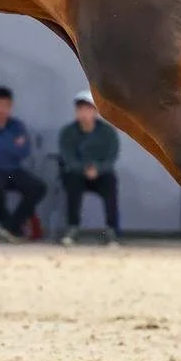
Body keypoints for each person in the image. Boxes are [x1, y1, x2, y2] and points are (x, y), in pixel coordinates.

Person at [0, 86, 46, 242]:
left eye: (5, 106)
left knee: (38, 187)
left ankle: (10, 226)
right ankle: (9, 225)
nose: (2, 110)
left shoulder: (17, 126)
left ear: (11, 106)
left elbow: (24, 151)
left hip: (13, 170)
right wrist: (11, 145)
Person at [58, 90, 121, 246]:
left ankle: (111, 230)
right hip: (77, 174)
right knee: (71, 181)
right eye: (80, 109)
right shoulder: (67, 132)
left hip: (100, 175)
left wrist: (97, 169)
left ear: (96, 111)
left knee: (110, 181)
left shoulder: (108, 132)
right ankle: (72, 228)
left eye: (88, 108)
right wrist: (84, 169)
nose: (84, 113)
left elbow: (111, 158)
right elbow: (68, 158)